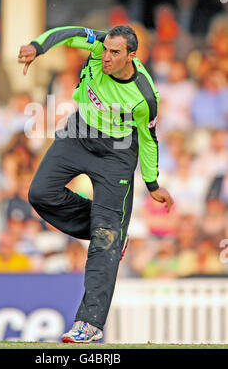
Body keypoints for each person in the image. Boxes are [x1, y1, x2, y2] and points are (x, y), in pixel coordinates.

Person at [18, 25, 174, 343]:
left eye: (115, 53)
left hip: (116, 155)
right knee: (40, 193)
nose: (106, 57)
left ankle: (89, 323)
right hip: (79, 133)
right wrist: (38, 46)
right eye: (105, 50)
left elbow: (148, 139)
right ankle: (113, 232)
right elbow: (70, 32)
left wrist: (152, 182)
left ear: (132, 56)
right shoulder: (99, 46)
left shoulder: (144, 96)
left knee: (104, 240)